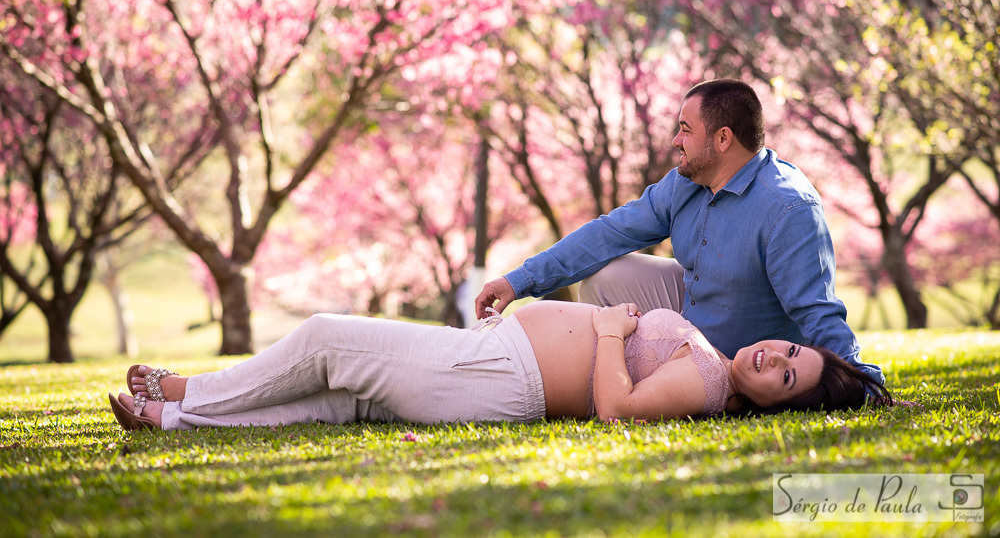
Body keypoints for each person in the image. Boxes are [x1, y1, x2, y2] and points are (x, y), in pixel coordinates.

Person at [475, 78, 885, 387]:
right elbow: (608, 233)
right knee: (605, 274)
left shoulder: (788, 208)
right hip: (692, 309)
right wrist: (519, 280)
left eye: (686, 130)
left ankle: (645, 381)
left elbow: (817, 309)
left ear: (723, 139)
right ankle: (609, 373)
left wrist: (862, 383)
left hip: (742, 353)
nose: (675, 141)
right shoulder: (684, 184)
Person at [108, 300, 891, 432]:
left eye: (785, 376)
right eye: (791, 349)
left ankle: (189, 391)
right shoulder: (717, 357)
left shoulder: (710, 384)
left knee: (322, 339)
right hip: (496, 357)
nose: (774, 358)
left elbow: (615, 409)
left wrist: (614, 334)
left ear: (773, 403)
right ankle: (172, 416)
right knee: (345, 400)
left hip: (503, 377)